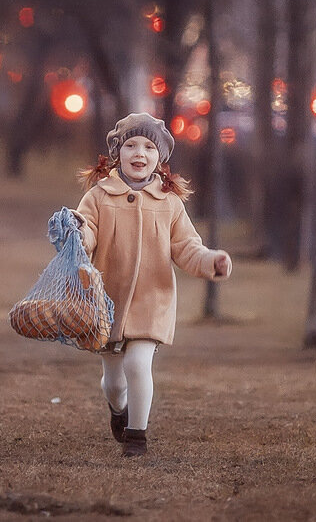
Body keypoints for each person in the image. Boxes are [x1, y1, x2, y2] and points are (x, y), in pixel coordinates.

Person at [75, 112, 232, 458]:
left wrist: (212, 261)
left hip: (153, 299)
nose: (139, 153)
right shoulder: (100, 196)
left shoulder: (169, 202)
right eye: (131, 145)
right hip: (107, 302)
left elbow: (188, 248)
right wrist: (76, 232)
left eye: (148, 146)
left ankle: (137, 436)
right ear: (118, 153)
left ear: (159, 158)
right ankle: (120, 409)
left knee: (138, 364)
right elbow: (86, 232)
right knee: (114, 382)